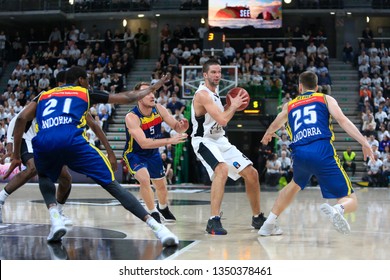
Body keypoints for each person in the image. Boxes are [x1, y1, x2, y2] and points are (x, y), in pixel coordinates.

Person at [5, 66, 179, 247]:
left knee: (44, 175)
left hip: (44, 141)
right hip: (73, 141)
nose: (88, 82)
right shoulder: (83, 92)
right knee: (112, 186)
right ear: (81, 80)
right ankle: (159, 229)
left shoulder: (43, 95)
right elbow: (127, 97)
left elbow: (21, 118)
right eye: (87, 79)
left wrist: (16, 154)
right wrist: (154, 87)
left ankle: (55, 217)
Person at [258, 71, 374, 236]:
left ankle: (268, 225)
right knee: (351, 200)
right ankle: (338, 209)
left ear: (300, 87)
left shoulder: (289, 105)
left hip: (299, 153)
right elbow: (343, 120)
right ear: (317, 87)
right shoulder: (325, 98)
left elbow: (274, 125)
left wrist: (267, 135)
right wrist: (364, 142)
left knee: (293, 186)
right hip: (321, 150)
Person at [0, 71, 116, 224]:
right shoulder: (46, 95)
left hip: (46, 142)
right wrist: (10, 143)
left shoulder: (74, 101)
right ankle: (1, 199)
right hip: (27, 138)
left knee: (66, 179)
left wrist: (110, 152)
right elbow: (18, 118)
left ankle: (59, 214)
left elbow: (94, 125)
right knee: (33, 168)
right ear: (62, 84)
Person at [190, 59, 266, 235]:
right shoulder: (202, 94)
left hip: (220, 140)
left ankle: (257, 217)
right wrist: (233, 106)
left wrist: (229, 106)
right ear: (205, 75)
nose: (217, 75)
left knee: (252, 174)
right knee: (222, 169)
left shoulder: (216, 95)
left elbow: (222, 115)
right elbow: (223, 120)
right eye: (213, 72)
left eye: (219, 72)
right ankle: (213, 220)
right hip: (204, 141)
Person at [123, 82, 189, 223]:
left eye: (152, 92)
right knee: (145, 179)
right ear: (139, 98)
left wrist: (183, 127)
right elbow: (144, 143)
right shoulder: (132, 117)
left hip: (153, 153)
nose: (152, 95)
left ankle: (163, 208)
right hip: (135, 153)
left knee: (161, 186)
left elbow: (177, 127)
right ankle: (152, 212)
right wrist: (169, 140)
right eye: (147, 93)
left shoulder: (159, 109)